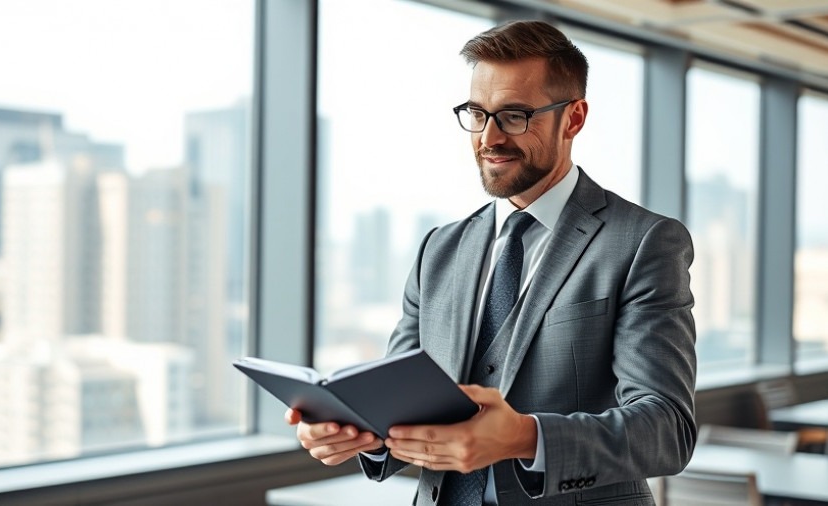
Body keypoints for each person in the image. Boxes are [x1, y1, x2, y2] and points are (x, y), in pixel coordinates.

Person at [286, 19, 696, 505]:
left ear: (573, 118)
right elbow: (400, 403)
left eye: (515, 115)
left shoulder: (644, 242)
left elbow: (666, 429)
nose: (489, 137)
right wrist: (356, 430)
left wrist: (525, 437)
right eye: (478, 114)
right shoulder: (439, 250)